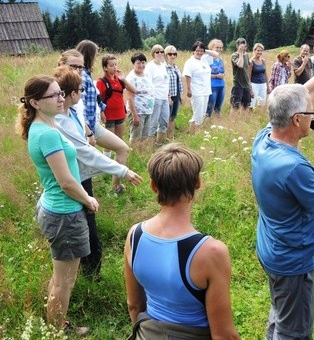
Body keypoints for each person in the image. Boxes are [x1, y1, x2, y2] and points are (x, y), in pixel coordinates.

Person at [252, 27, 314, 340]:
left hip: (272, 249)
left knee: (281, 311)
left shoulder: (264, 138)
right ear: (296, 120)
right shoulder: (294, 168)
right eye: (310, 113)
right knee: (295, 331)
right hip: (292, 261)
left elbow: (302, 94)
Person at [124, 143, 240, 340]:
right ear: (198, 182)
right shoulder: (211, 252)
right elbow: (224, 335)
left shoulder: (135, 235)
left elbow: (134, 305)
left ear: (153, 185)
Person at [16, 75, 99, 335]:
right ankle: (57, 330)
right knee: (65, 281)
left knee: (60, 277)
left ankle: (55, 323)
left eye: (60, 93)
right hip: (65, 213)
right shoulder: (47, 134)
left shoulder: (45, 127)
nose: (61, 98)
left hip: (57, 208)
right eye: (53, 95)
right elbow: (66, 182)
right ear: (35, 103)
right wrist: (88, 200)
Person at [54, 66, 143, 277]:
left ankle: (89, 271)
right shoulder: (61, 121)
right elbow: (86, 152)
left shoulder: (72, 111)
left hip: (82, 176)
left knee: (89, 222)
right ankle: (90, 274)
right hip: (74, 179)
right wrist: (123, 170)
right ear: (71, 94)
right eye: (80, 90)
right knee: (87, 229)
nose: (83, 93)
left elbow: (85, 140)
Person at [96, 54, 137, 140]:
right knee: (110, 141)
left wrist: (123, 79)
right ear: (105, 68)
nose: (114, 67)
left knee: (119, 139)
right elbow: (97, 99)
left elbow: (133, 90)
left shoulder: (119, 80)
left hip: (120, 113)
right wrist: (101, 112)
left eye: (116, 65)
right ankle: (107, 154)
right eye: (111, 65)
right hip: (108, 114)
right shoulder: (101, 81)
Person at [182, 41, 218, 130]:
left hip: (206, 90)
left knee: (202, 113)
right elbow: (187, 75)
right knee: (198, 113)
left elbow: (216, 54)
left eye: (201, 50)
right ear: (193, 51)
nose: (199, 52)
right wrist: (188, 89)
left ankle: (193, 131)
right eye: (197, 50)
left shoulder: (204, 59)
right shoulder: (190, 62)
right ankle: (195, 132)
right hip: (196, 91)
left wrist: (205, 51)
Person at [126, 52, 155, 144]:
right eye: (138, 63)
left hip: (148, 111)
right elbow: (130, 98)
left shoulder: (146, 75)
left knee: (144, 137)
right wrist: (135, 115)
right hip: (138, 112)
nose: (141, 65)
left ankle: (141, 154)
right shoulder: (131, 78)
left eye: (143, 62)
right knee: (135, 137)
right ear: (133, 64)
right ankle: (133, 155)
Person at [145, 44, 169, 146]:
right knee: (153, 123)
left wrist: (168, 96)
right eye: (157, 52)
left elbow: (166, 82)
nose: (159, 54)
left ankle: (160, 143)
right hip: (155, 97)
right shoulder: (150, 66)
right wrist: (151, 98)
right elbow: (148, 83)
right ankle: (149, 145)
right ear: (153, 54)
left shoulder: (163, 65)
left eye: (161, 52)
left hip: (164, 97)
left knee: (164, 122)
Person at [164, 45, 183, 139]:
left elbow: (179, 82)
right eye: (170, 54)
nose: (172, 56)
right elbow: (163, 83)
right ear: (166, 55)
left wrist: (181, 96)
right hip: (168, 96)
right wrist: (167, 96)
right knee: (166, 117)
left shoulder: (176, 67)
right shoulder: (164, 67)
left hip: (176, 94)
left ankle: (171, 136)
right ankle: (164, 136)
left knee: (173, 117)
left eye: (174, 54)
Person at [230, 38, 253, 111]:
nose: (244, 48)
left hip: (246, 84)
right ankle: (232, 121)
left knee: (246, 106)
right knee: (235, 106)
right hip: (238, 84)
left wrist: (250, 86)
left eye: (245, 46)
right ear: (237, 46)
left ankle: (242, 121)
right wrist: (240, 53)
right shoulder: (234, 55)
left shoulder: (246, 55)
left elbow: (247, 69)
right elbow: (240, 65)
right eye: (242, 46)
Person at [206, 39, 225, 117]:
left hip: (221, 86)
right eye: (217, 47)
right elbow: (204, 75)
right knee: (209, 108)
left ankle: (217, 125)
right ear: (212, 48)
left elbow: (223, 71)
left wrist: (223, 75)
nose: (219, 49)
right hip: (212, 86)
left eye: (220, 47)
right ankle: (206, 123)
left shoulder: (221, 59)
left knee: (218, 108)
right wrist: (216, 76)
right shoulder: (207, 59)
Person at [249, 42, 267, 108]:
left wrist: (267, 85)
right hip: (254, 84)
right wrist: (250, 88)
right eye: (258, 50)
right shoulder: (251, 61)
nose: (259, 52)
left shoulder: (263, 61)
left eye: (261, 50)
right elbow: (249, 75)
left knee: (262, 104)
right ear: (254, 50)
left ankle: (259, 117)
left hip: (263, 84)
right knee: (252, 104)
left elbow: (265, 73)